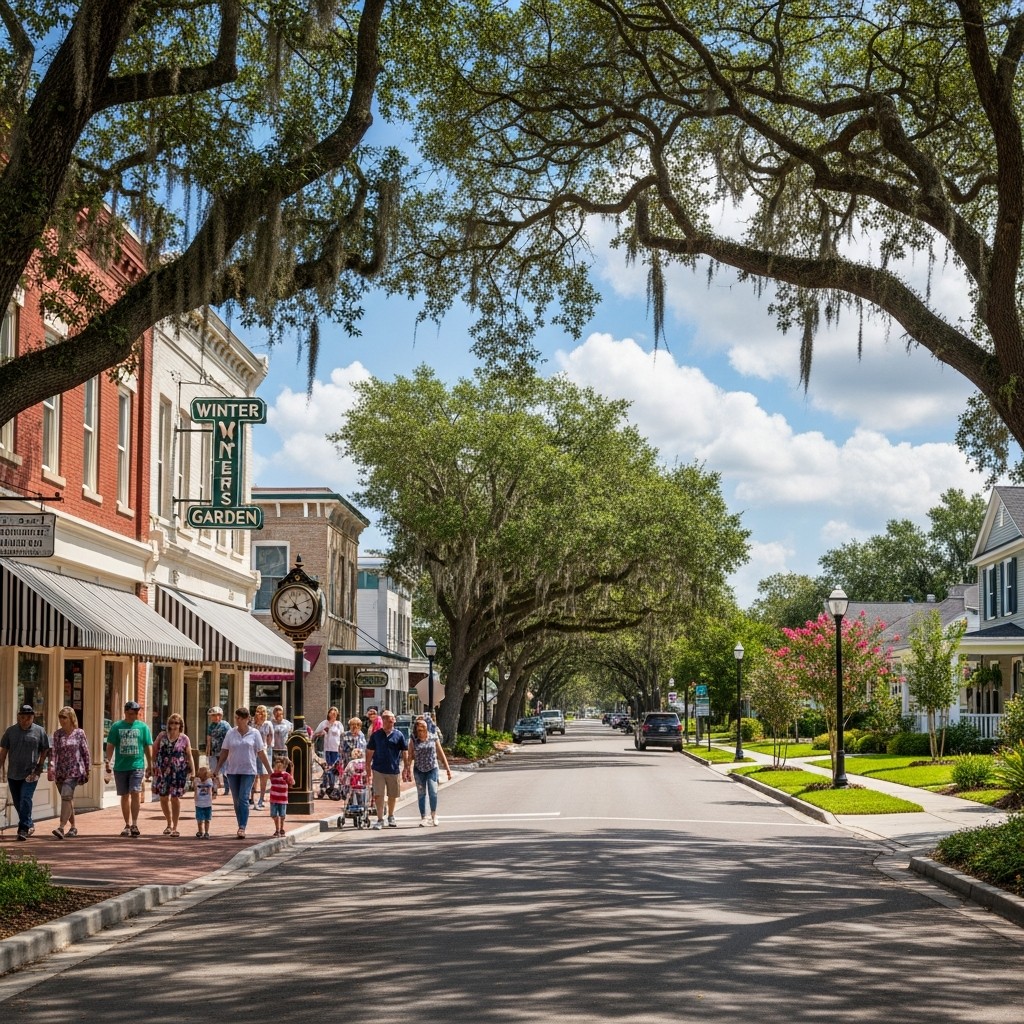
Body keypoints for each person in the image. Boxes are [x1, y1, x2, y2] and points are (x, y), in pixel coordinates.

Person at [215, 707, 271, 838]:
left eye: (240, 718)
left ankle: (242, 827)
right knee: (236, 800)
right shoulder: (230, 733)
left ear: (247, 719)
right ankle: (240, 823)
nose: (237, 720)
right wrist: (217, 769)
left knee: (243, 798)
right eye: (236, 717)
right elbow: (224, 751)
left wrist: (269, 770)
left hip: (248, 771)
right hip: (232, 771)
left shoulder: (255, 733)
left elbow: (261, 753)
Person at [103, 700, 154, 837]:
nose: (133, 716)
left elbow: (148, 746)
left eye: (135, 714)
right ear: (125, 712)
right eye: (130, 714)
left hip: (137, 766)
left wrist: (150, 764)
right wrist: (108, 760)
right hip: (120, 767)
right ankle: (127, 824)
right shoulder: (116, 726)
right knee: (124, 795)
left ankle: (135, 824)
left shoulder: (143, 727)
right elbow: (110, 745)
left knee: (135, 792)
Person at [0, 705, 50, 841]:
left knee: (25, 799)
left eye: (28, 717)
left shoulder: (39, 731)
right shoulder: (10, 731)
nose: (25, 720)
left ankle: (23, 829)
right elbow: (3, 752)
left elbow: (45, 749)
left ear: (33, 717)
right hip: (13, 773)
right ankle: (29, 823)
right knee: (18, 803)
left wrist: (40, 767)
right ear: (18, 717)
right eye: (22, 717)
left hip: (31, 773)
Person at [49, 706, 91, 839]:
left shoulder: (79, 733)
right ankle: (73, 827)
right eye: (60, 717)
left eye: (64, 717)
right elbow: (54, 752)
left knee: (66, 796)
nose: (61, 720)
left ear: (71, 718)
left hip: (74, 770)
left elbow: (85, 752)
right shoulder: (57, 734)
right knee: (67, 799)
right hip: (60, 771)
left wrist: (88, 769)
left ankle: (61, 827)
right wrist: (52, 768)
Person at [365, 709, 407, 830]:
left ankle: (391, 815)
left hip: (393, 769)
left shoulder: (399, 735)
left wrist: (406, 767)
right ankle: (380, 819)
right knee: (379, 794)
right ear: (383, 720)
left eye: (393, 719)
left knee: (392, 795)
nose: (392, 721)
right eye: (389, 720)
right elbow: (369, 751)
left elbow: (404, 751)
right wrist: (368, 767)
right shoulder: (376, 735)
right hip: (378, 769)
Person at [153, 713, 193, 837]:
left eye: (176, 723)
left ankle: (175, 827)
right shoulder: (162, 736)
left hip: (178, 772)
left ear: (181, 725)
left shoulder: (184, 738)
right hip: (162, 772)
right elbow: (154, 750)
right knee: (163, 797)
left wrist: (193, 772)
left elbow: (189, 755)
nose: (174, 725)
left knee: (175, 798)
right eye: (171, 722)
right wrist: (152, 766)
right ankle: (168, 823)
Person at [408, 717, 452, 826]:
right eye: (419, 729)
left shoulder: (433, 737)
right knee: (421, 794)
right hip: (419, 769)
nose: (421, 731)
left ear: (427, 728)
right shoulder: (413, 739)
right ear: (416, 730)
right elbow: (410, 755)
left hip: (432, 768)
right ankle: (424, 817)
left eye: (423, 728)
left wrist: (447, 769)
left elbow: (440, 753)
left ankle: (433, 815)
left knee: (433, 792)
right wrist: (407, 769)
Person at [205, 707, 230, 795]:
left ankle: (227, 789)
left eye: (218, 715)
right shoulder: (210, 726)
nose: (216, 717)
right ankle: (214, 789)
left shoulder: (225, 725)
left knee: (225, 770)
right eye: (213, 715)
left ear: (221, 716)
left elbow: (230, 737)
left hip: (224, 751)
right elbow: (209, 739)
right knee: (213, 770)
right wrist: (207, 751)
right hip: (214, 751)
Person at [253, 705, 273, 809]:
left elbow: (270, 740)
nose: (260, 714)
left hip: (264, 751)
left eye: (262, 712)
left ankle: (261, 798)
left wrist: (268, 755)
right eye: (258, 712)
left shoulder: (267, 724)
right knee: (253, 775)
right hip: (253, 752)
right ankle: (251, 798)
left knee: (263, 776)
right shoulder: (252, 724)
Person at [269, 756, 294, 837]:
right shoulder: (273, 775)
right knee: (273, 814)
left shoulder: (286, 775)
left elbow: (292, 782)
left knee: (282, 815)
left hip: (282, 800)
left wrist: (291, 772)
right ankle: (277, 829)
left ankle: (281, 829)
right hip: (273, 799)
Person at [193, 764, 215, 839]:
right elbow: (195, 787)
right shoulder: (197, 781)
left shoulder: (209, 781)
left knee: (207, 819)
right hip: (199, 803)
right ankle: (200, 831)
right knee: (199, 820)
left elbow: (212, 787)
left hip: (207, 804)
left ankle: (206, 832)